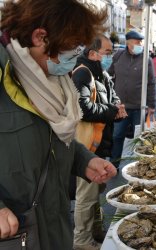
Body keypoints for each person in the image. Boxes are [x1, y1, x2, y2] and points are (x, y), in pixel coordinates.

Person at [0, 1, 117, 249]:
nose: (74, 60)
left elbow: (49, 141)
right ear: (40, 37)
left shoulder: (50, 80)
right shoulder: (5, 76)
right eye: (72, 50)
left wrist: (84, 160)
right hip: (15, 235)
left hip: (56, 229)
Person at [71, 34, 126, 250]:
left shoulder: (101, 73)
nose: (110, 56)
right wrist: (112, 112)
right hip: (87, 146)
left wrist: (117, 107)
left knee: (95, 191)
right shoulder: (82, 73)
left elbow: (112, 97)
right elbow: (82, 109)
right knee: (86, 195)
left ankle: (95, 230)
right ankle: (81, 241)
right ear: (93, 53)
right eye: (107, 52)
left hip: (99, 143)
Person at [108, 30, 156, 168]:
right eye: (137, 42)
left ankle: (139, 166)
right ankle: (114, 164)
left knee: (139, 139)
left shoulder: (147, 59)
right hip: (120, 107)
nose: (140, 44)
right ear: (128, 43)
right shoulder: (118, 56)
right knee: (117, 136)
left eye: (141, 42)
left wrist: (151, 105)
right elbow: (110, 75)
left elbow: (151, 83)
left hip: (139, 107)